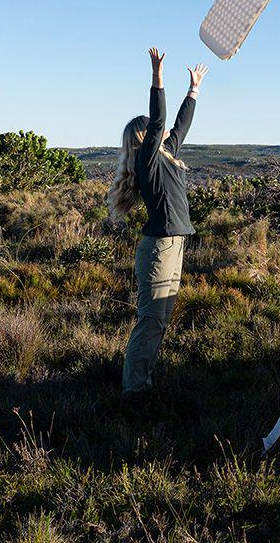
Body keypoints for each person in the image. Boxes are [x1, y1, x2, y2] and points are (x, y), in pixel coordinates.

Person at [107, 47, 208, 399]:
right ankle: (134, 391)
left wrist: (193, 90)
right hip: (160, 247)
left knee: (160, 320)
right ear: (145, 138)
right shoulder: (149, 161)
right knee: (150, 321)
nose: (161, 133)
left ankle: (144, 381)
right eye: (153, 131)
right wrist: (157, 77)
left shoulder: (168, 157)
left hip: (174, 244)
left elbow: (179, 125)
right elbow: (161, 119)